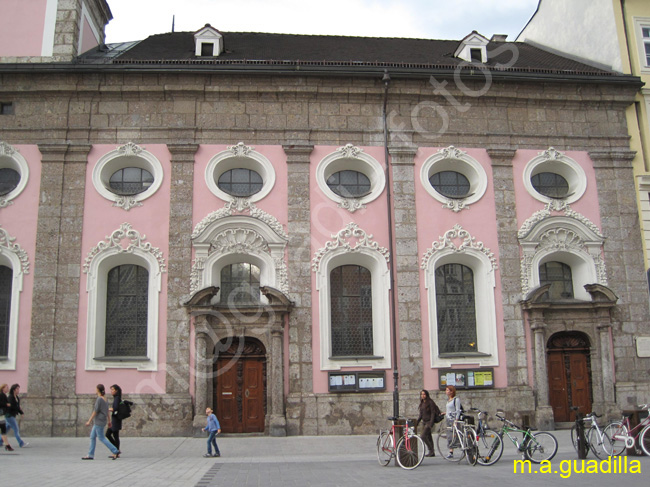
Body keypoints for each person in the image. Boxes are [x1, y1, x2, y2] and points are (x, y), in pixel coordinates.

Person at [82, 384, 120, 460]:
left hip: (99, 421)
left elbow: (95, 411)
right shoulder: (105, 399)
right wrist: (109, 421)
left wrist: (89, 421)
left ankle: (115, 450)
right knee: (92, 437)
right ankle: (90, 454)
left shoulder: (99, 399)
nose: (95, 390)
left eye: (96, 389)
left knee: (101, 438)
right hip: (101, 421)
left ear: (98, 390)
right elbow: (107, 411)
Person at [416, 389, 440, 457]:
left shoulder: (430, 402)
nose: (423, 396)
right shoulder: (422, 403)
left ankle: (431, 449)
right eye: (421, 394)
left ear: (427, 395)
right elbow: (421, 414)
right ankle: (432, 452)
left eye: (424, 394)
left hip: (429, 422)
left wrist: (431, 423)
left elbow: (433, 413)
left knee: (423, 436)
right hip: (424, 421)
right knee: (429, 436)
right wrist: (417, 422)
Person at [4, 384, 28, 448]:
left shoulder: (16, 397)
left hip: (12, 415)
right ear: (14, 390)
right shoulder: (10, 397)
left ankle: (0, 441)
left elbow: (18, 407)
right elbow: (12, 407)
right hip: (9, 415)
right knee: (16, 429)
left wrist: (21, 412)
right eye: (17, 389)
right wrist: (18, 411)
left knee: (5, 430)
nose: (18, 390)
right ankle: (21, 443)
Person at [444, 385, 462, 459]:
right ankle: (451, 451)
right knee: (449, 436)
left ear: (452, 391)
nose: (446, 391)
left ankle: (463, 447)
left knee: (457, 435)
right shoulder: (448, 400)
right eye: (446, 390)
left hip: (454, 419)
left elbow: (458, 410)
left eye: (448, 390)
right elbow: (450, 409)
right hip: (448, 419)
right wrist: (445, 413)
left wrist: (456, 420)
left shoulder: (456, 399)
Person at [106, 384, 123, 454]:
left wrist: (108, 409)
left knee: (109, 434)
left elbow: (115, 408)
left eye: (113, 389)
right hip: (116, 419)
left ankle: (116, 451)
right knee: (114, 435)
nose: (111, 391)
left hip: (116, 420)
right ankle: (117, 450)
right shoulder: (117, 398)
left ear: (116, 391)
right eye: (111, 389)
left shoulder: (117, 398)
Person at [0, 383, 14, 451]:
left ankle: (7, 445)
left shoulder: (4, 395)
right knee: (3, 430)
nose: (8, 389)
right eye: (6, 387)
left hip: (2, 415)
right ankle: (7, 445)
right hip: (1, 415)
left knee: (3, 430)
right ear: (3, 388)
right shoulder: (1, 395)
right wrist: (6, 404)